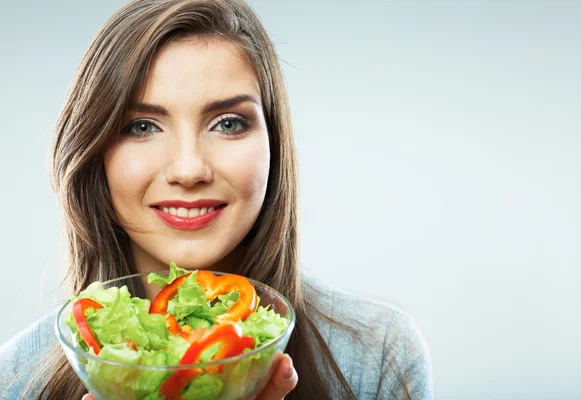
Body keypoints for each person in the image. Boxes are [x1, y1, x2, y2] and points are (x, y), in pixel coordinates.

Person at [0, 0, 434, 399]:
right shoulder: (15, 378)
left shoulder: (378, 358)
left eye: (228, 123)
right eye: (142, 126)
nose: (189, 170)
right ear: (95, 153)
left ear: (274, 145)